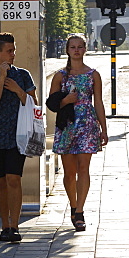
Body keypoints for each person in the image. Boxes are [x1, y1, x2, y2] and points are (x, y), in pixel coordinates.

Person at [0, 33, 37, 244]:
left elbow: (33, 103)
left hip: (18, 136)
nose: (13, 54)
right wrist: (2, 78)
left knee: (14, 178)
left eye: (14, 50)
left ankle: (15, 226)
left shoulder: (23, 75)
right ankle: (4, 225)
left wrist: (18, 90)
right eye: (9, 51)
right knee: (1, 181)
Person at [49, 34, 108, 231]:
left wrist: (103, 129)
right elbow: (52, 103)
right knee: (69, 172)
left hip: (87, 124)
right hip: (67, 124)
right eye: (72, 47)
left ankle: (80, 211)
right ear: (67, 50)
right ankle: (73, 206)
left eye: (80, 47)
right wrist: (66, 100)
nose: (76, 50)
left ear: (85, 49)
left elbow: (98, 102)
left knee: (84, 169)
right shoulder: (60, 75)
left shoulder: (93, 75)